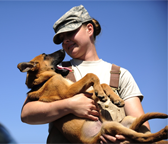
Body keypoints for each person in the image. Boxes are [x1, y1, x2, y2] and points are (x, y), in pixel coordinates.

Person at [21, 5, 150, 144]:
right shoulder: (55, 72)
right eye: (61, 38)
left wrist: (125, 139)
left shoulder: (119, 74)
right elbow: (27, 114)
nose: (65, 40)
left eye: (70, 32)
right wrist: (69, 105)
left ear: (89, 29)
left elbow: (143, 128)